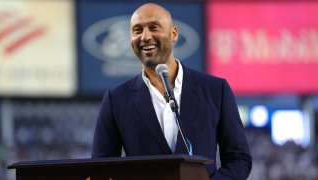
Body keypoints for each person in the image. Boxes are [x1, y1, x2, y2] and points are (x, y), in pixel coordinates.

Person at [92, 3, 252, 179]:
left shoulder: (215, 90)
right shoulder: (115, 100)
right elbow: (101, 169)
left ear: (174, 34)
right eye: (137, 30)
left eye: (154, 27)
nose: (145, 36)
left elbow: (239, 159)